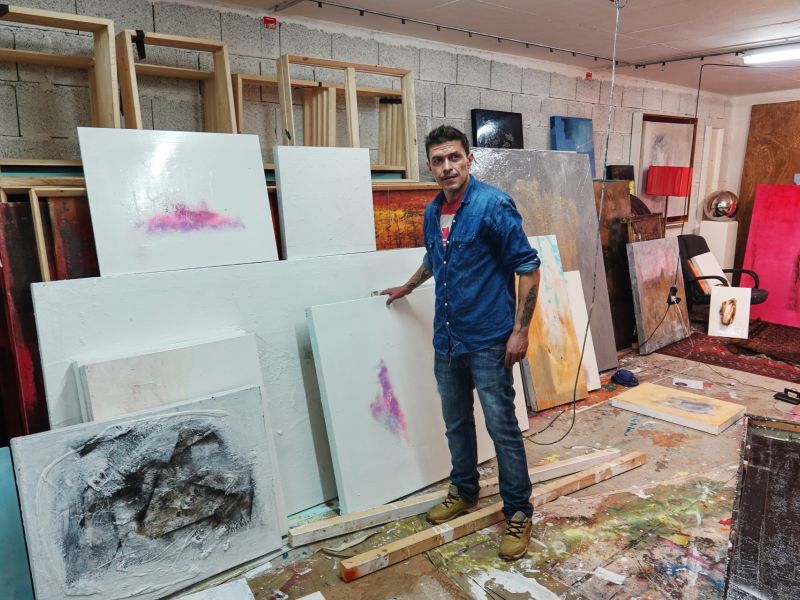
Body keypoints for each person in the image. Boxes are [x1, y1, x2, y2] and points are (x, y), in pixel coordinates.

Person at [381, 125, 541, 561]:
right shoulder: (433, 211)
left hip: (488, 338)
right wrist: (408, 286)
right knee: (455, 423)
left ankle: (518, 512)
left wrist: (520, 330)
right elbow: (436, 257)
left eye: (454, 157)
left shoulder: (493, 205)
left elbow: (528, 268)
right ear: (429, 166)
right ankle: (464, 490)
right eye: (438, 160)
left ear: (468, 159)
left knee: (502, 428)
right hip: (448, 339)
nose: (447, 167)